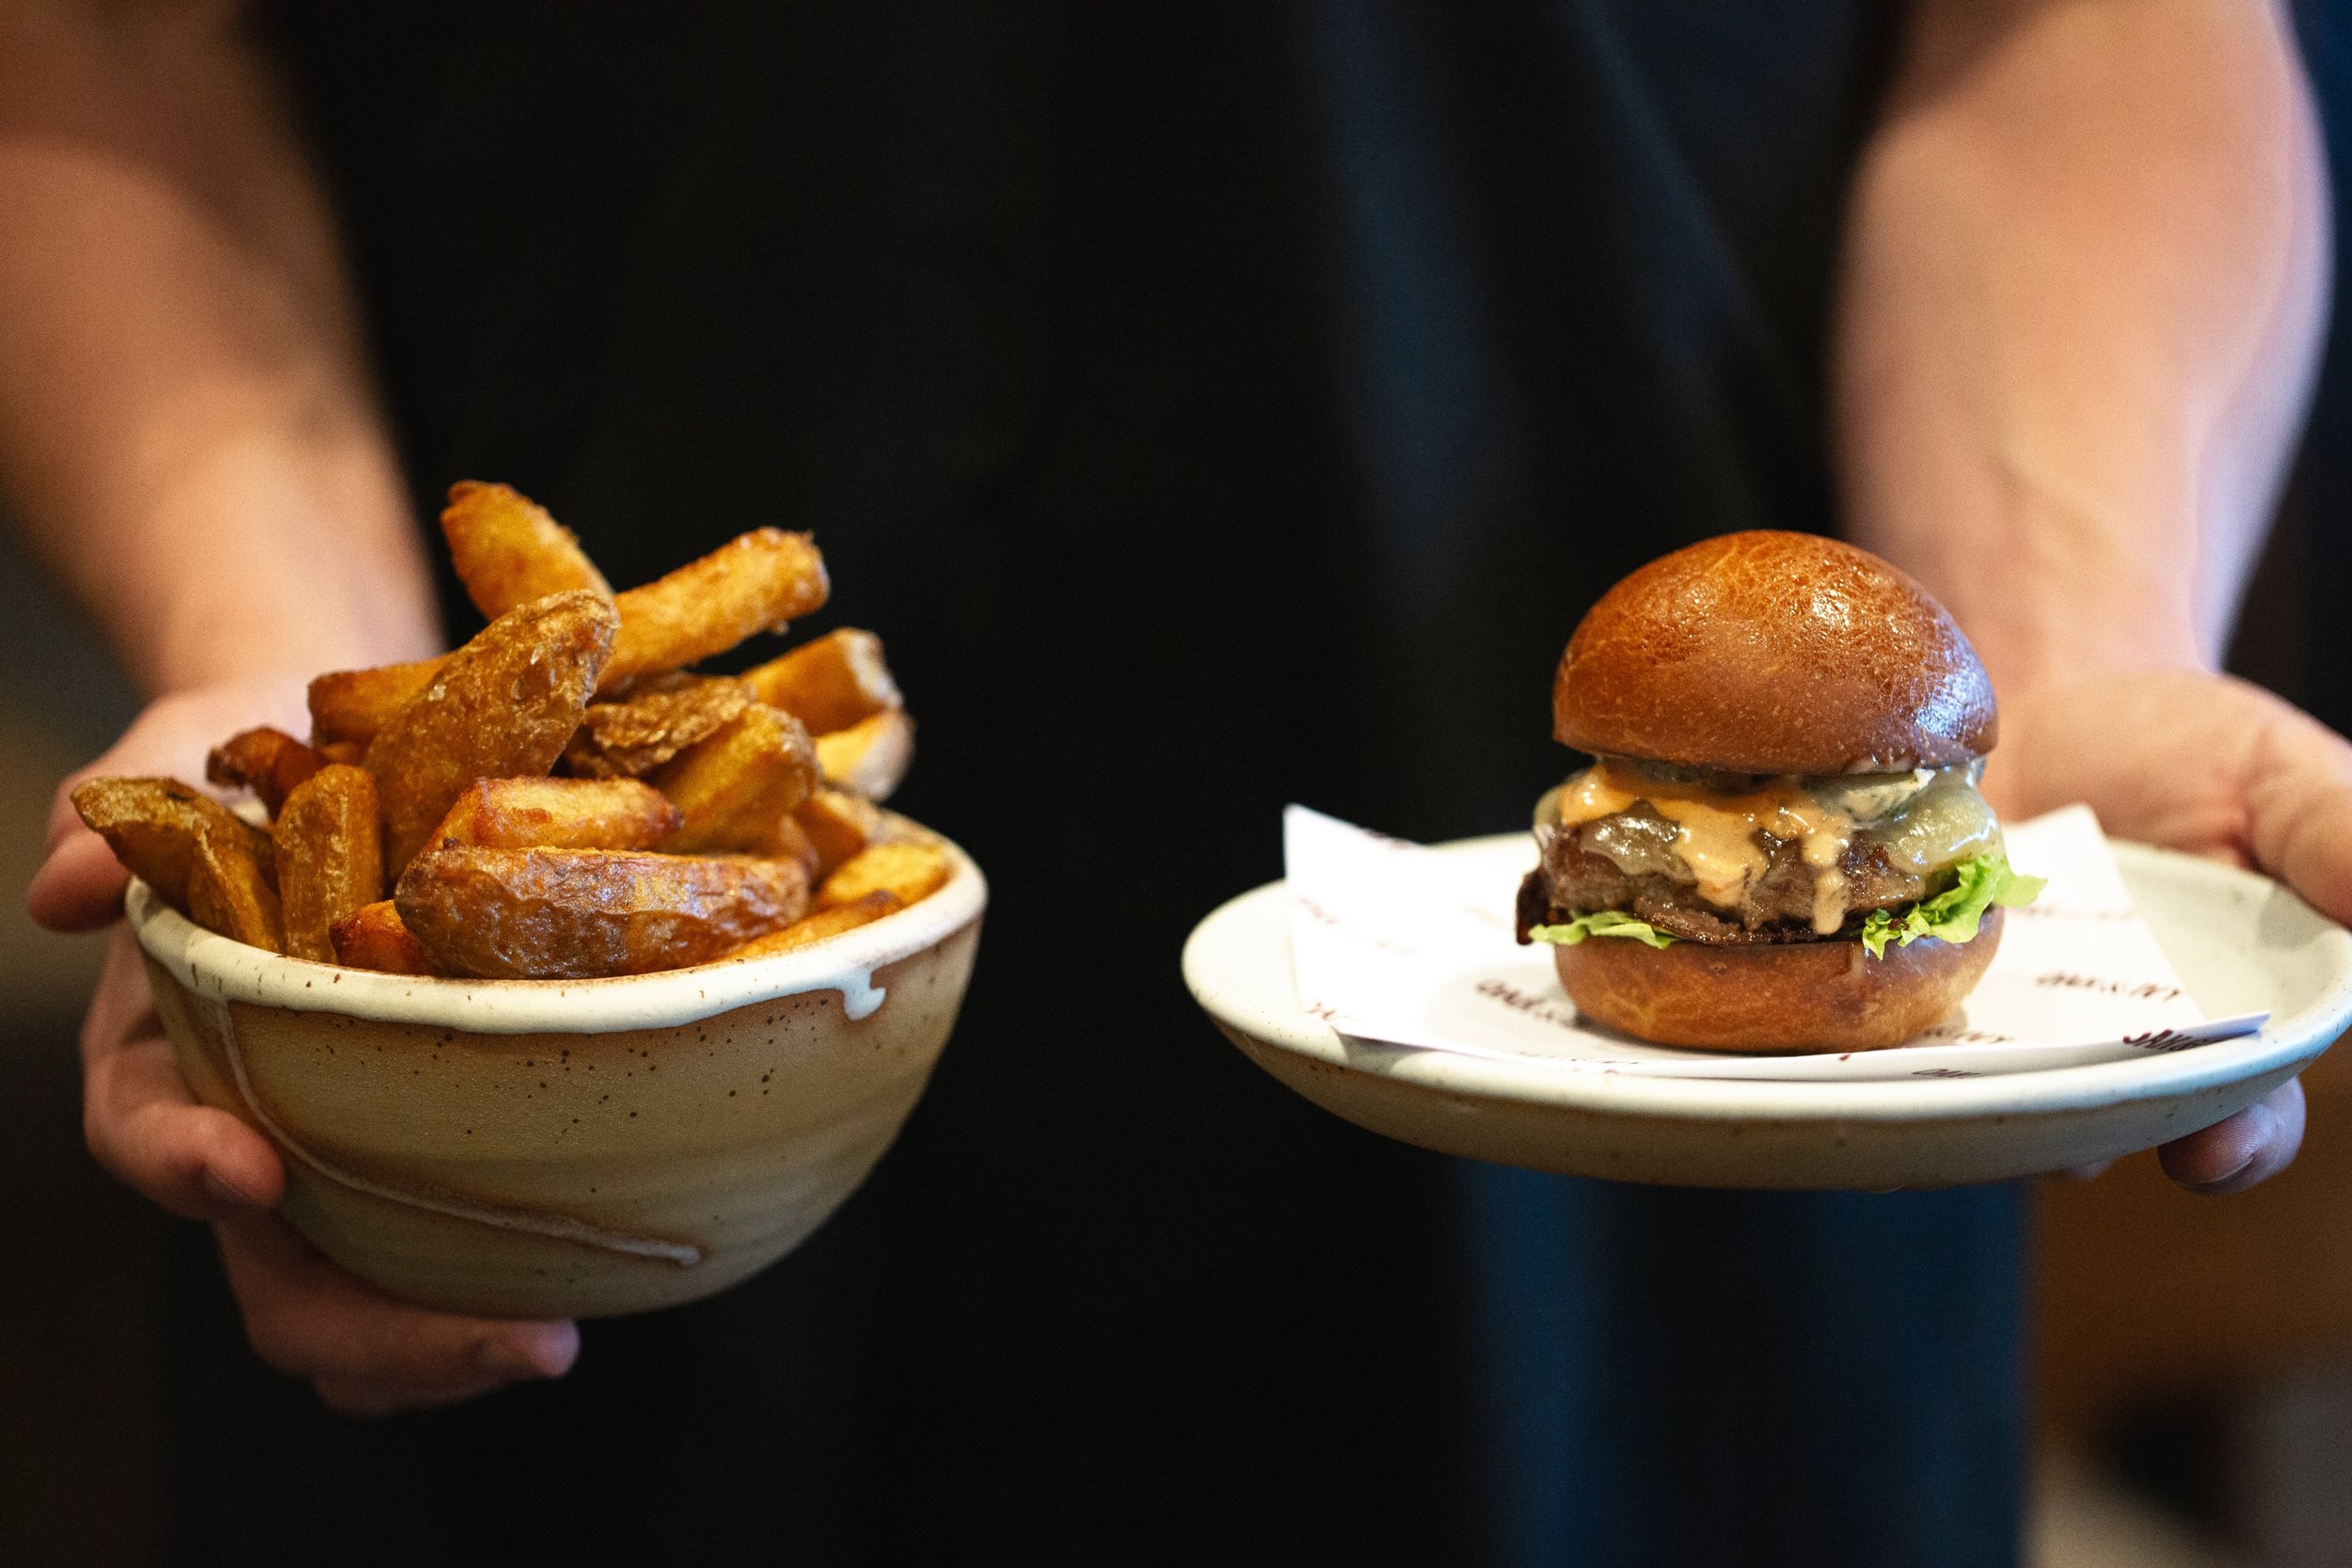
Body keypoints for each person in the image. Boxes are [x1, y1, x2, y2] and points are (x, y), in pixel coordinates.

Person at [1, 0, 2337, 1561]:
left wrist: (2056, 645)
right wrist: (260, 644)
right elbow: (104, 48)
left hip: (1650, 1210)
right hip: (562, 1114)